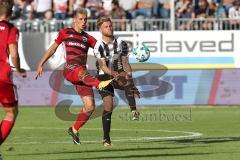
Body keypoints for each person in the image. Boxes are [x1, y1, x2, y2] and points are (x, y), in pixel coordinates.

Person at [35, 8, 113, 145]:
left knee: (90, 107)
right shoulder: (65, 32)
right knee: (82, 73)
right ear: (75, 20)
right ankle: (99, 84)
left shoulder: (88, 38)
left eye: (86, 20)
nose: (84, 22)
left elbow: (101, 50)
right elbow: (52, 48)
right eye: (81, 19)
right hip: (70, 68)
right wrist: (41, 63)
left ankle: (74, 129)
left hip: (82, 74)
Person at [94, 16, 140, 146]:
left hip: (117, 73)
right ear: (100, 29)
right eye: (106, 27)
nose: (110, 28)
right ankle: (106, 138)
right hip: (104, 76)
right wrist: (114, 74)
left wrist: (129, 75)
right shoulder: (98, 46)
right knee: (108, 105)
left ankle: (133, 110)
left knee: (126, 78)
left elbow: (125, 62)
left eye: (110, 26)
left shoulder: (121, 43)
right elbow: (103, 66)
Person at [0, 1, 26, 145]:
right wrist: (19, 69)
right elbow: (14, 54)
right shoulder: (11, 29)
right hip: (2, 77)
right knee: (11, 113)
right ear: (11, 13)